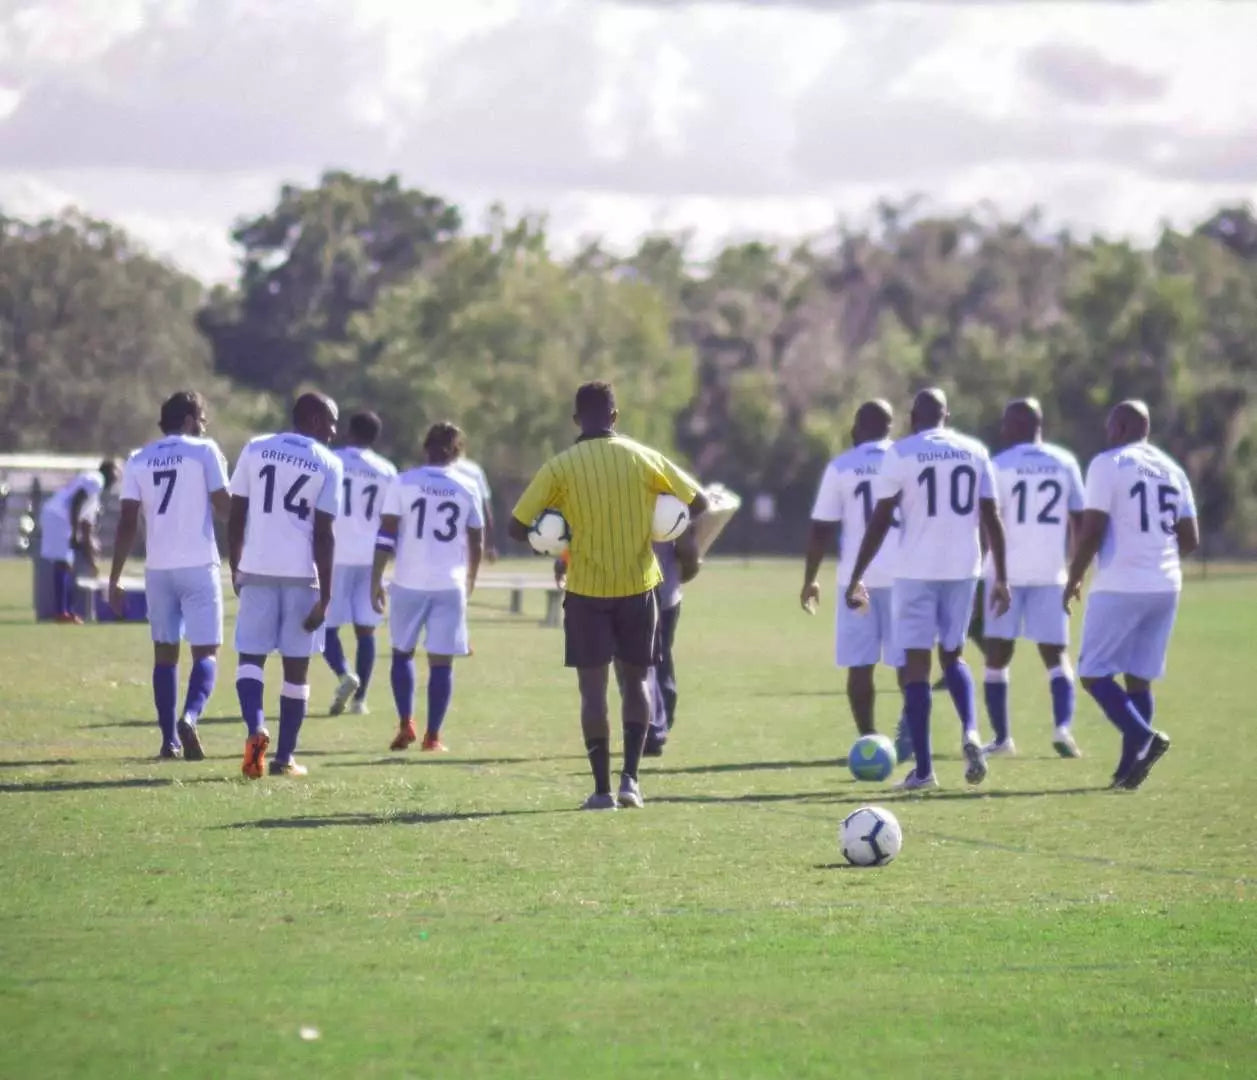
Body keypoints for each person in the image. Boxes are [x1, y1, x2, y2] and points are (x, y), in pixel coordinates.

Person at [508, 381, 708, 811]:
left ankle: (601, 791)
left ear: (577, 420)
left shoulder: (560, 467)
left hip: (586, 592)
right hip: (639, 587)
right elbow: (700, 502)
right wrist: (661, 525)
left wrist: (554, 536)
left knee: (592, 691)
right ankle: (631, 783)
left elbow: (515, 526)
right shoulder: (644, 457)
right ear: (615, 416)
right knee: (636, 681)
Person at [845, 388, 1011, 791]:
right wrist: (1001, 576)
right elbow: (991, 517)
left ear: (912, 417)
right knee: (953, 655)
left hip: (916, 570)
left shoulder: (900, 453)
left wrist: (857, 574)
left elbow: (881, 519)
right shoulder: (974, 450)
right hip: (963, 568)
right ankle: (971, 731)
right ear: (947, 416)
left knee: (917, 665)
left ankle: (923, 771)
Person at [1064, 400, 1196, 790]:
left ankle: (1143, 737)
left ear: (1120, 427)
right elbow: (1190, 539)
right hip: (1166, 584)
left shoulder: (1109, 463)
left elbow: (1092, 529)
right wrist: (1155, 550)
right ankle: (1127, 773)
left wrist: (1074, 577)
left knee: (1091, 672)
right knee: (1139, 678)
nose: (1108, 434)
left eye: (1110, 427)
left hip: (1121, 583)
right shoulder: (1173, 468)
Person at [107, 391, 231, 760]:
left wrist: (113, 577)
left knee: (164, 656)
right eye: (203, 421)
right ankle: (190, 717)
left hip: (158, 569)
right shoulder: (204, 451)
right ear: (191, 421)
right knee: (206, 651)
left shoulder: (138, 459)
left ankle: (168, 741)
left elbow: (128, 522)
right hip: (198, 565)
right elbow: (225, 509)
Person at [227, 393, 342, 779]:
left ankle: (256, 729)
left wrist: (235, 565)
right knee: (297, 670)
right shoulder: (328, 462)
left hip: (256, 569)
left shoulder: (256, 448)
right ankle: (284, 758)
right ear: (311, 420)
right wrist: (326, 596)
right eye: (329, 421)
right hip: (301, 576)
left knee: (250, 658)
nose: (333, 430)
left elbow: (236, 512)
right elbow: (324, 535)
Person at [980, 398, 1086, 758]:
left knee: (997, 655)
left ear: (1021, 425)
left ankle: (1002, 739)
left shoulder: (999, 465)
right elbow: (1079, 521)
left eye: (1007, 423)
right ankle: (1063, 729)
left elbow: (987, 520)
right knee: (1056, 655)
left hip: (1003, 574)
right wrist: (1077, 571)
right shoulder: (1064, 461)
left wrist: (984, 564)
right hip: (1050, 572)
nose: (1002, 429)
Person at [801, 399, 907, 753]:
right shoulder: (906, 460)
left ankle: (869, 739)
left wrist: (810, 578)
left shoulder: (843, 466)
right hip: (906, 577)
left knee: (860, 665)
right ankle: (911, 730)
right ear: (890, 427)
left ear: (857, 429)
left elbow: (821, 528)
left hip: (857, 580)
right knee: (909, 662)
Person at [373, 422, 484, 753]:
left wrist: (375, 578)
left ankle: (406, 720)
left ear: (425, 449)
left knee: (401, 653)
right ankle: (433, 737)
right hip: (449, 584)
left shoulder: (404, 482)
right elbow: (477, 539)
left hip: (408, 580)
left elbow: (386, 534)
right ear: (458, 452)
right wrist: (471, 579)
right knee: (441, 662)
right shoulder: (467, 486)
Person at [324, 411, 397, 717]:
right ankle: (360, 700)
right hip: (370, 558)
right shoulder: (386, 469)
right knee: (366, 631)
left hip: (334, 553)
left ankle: (344, 674)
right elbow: (391, 520)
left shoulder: (331, 459)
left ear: (349, 431)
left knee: (326, 628)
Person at [38, 459, 120, 622]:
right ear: (109, 471)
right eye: (117, 472)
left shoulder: (95, 496)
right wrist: (74, 533)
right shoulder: (96, 479)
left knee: (66, 564)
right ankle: (61, 612)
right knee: (62, 563)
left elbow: (87, 528)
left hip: (59, 517)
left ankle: (66, 611)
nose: (119, 477)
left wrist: (92, 561)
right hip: (59, 516)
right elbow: (76, 501)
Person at [450, 452, 497, 563]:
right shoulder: (473, 470)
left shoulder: (432, 469)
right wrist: (490, 544)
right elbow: (486, 508)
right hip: (467, 528)